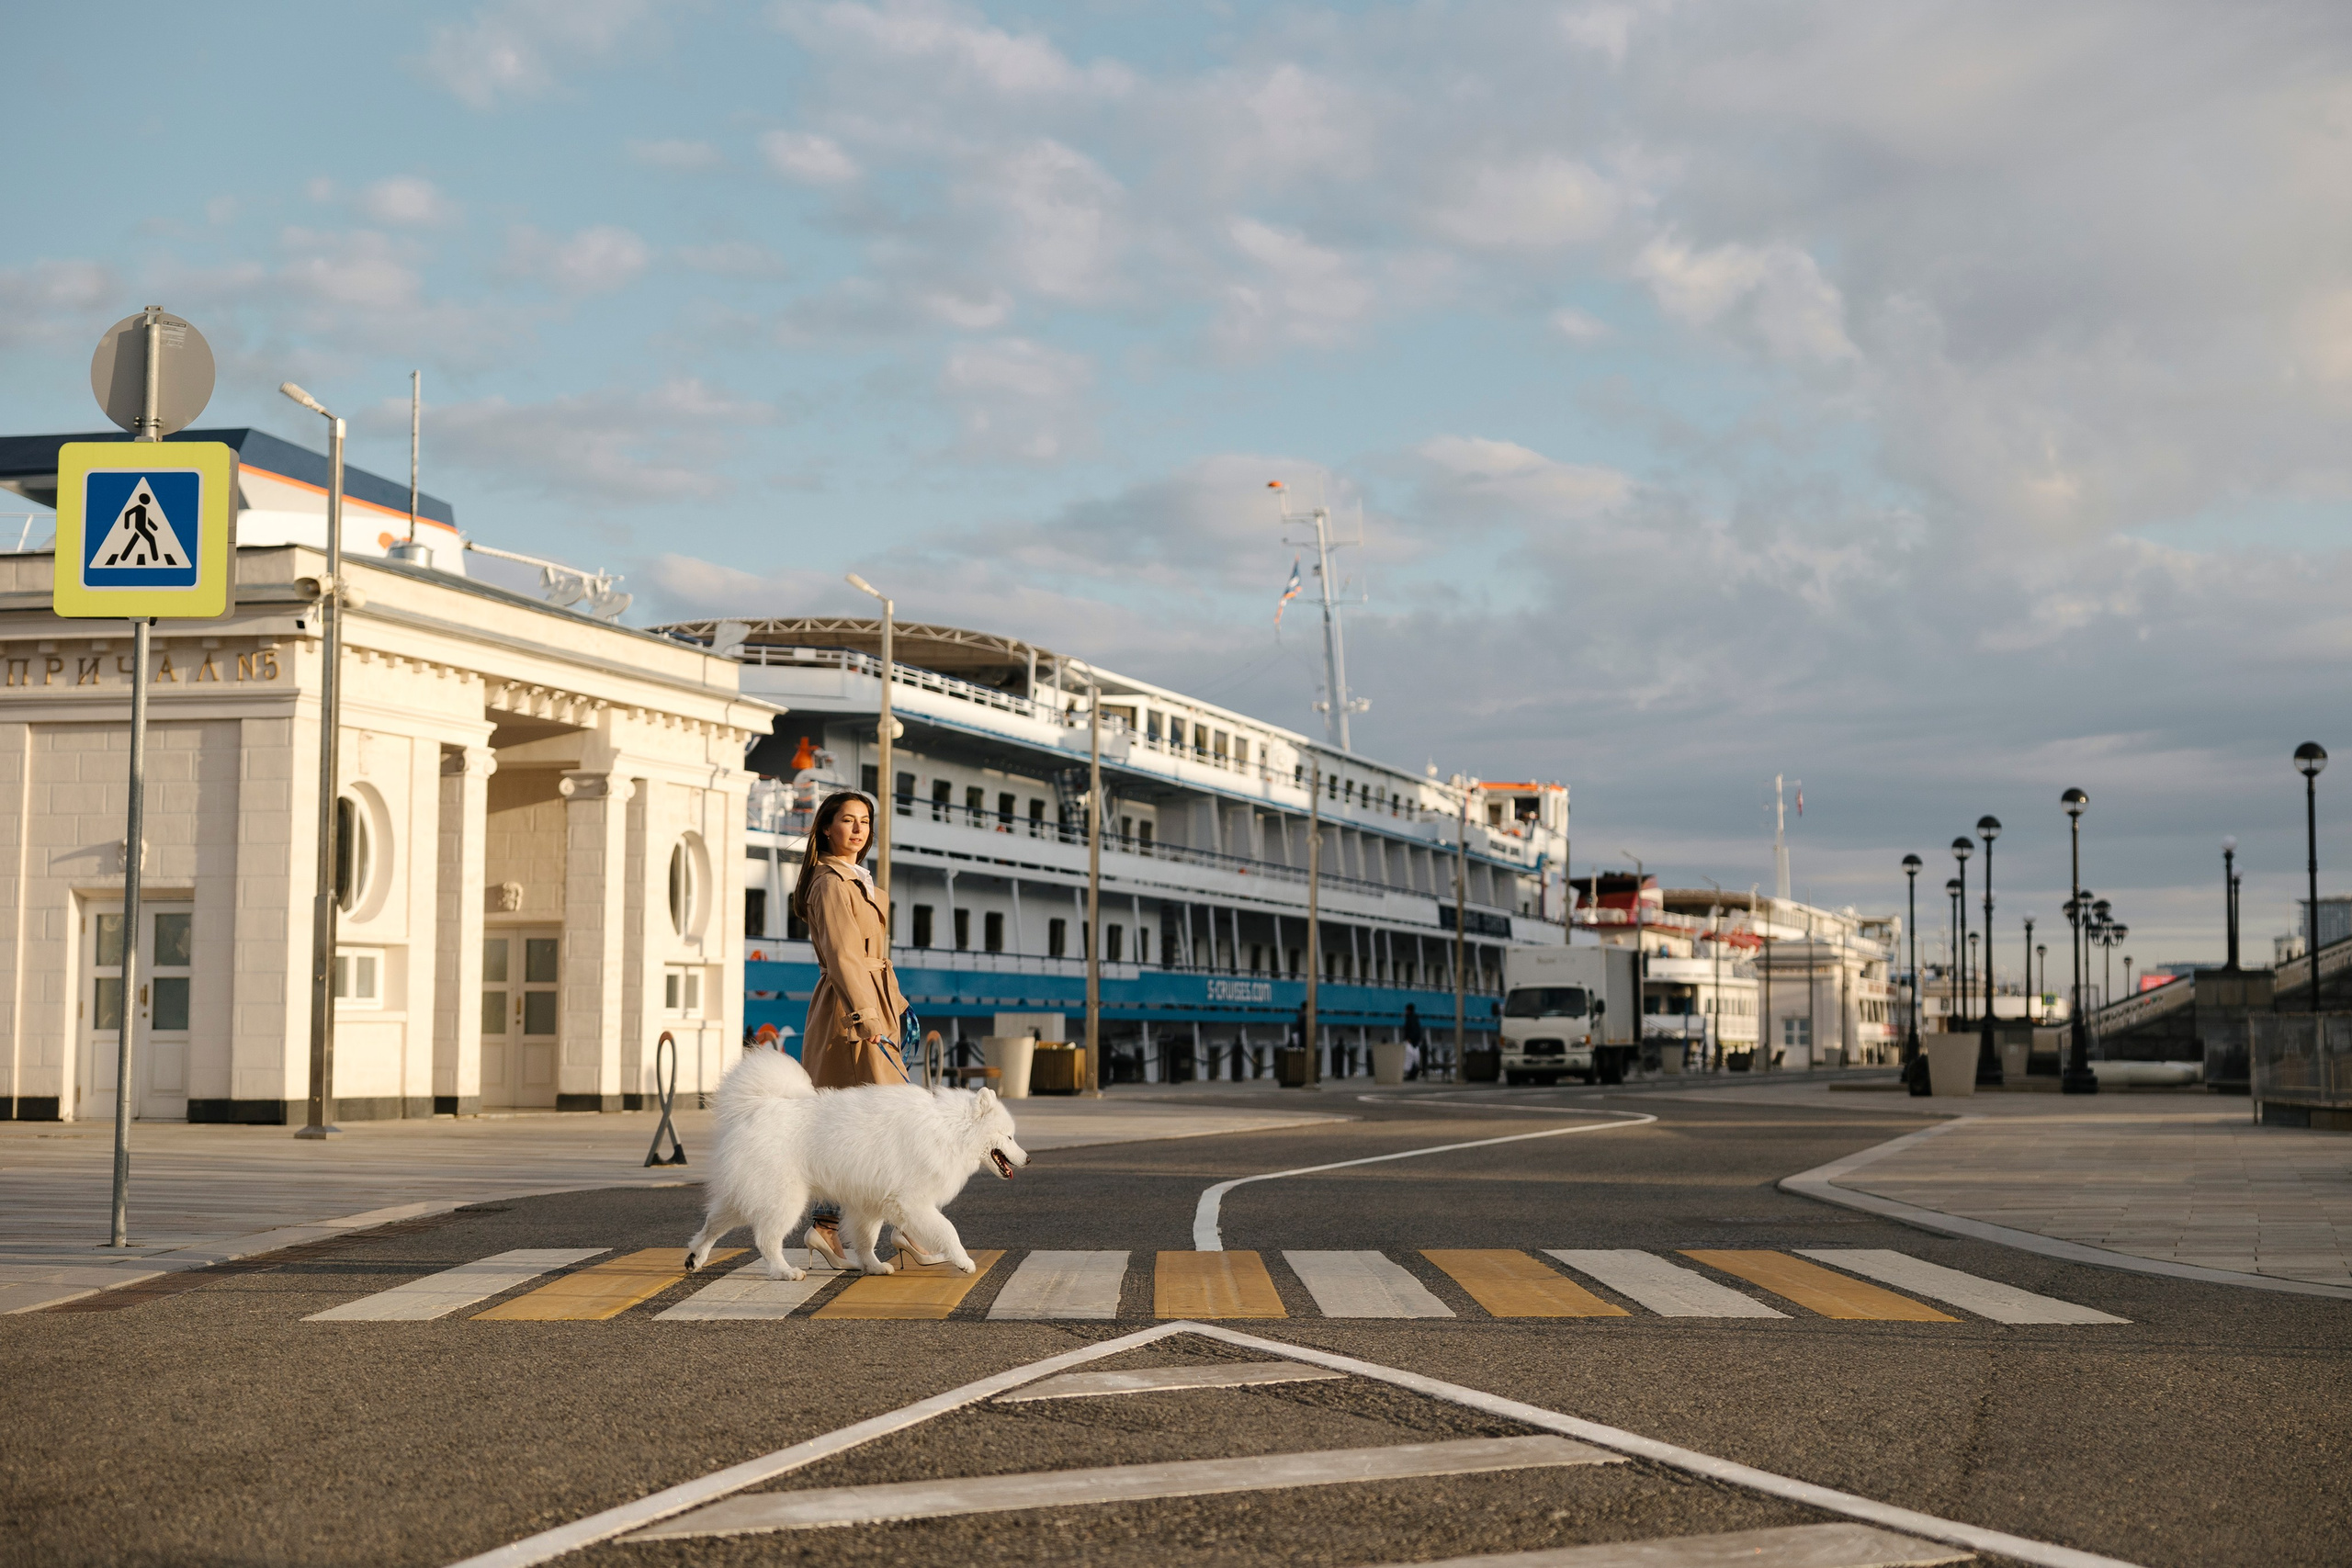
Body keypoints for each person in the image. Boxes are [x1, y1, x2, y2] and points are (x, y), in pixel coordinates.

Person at [792, 788, 933, 1268]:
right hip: (851, 1020)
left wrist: (897, 1007)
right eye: (848, 820)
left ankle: (830, 1230)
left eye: (865, 821)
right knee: (887, 1126)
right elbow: (845, 958)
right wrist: (870, 1020)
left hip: (872, 1009)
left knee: (860, 1131)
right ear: (826, 828)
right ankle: (906, 1230)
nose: (858, 829)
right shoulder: (830, 883)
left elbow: (869, 960)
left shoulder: (857, 881)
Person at [1401, 1003, 1424, 1080]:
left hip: (1410, 1041)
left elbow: (1410, 1030)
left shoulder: (1410, 1018)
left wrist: (1409, 1038)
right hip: (1415, 1042)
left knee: (1409, 1057)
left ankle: (1410, 1073)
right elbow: (1417, 1030)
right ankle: (1413, 1074)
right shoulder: (1415, 1018)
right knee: (1415, 1058)